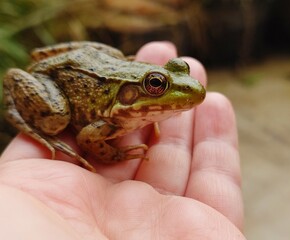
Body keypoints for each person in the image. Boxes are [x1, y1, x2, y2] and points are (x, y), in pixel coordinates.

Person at [0, 42, 245, 239]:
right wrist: (117, 155)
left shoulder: (128, 111)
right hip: (57, 79)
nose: (191, 87)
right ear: (131, 93)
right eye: (157, 85)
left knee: (115, 54)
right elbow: (88, 138)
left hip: (84, 61)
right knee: (55, 120)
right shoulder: (109, 123)